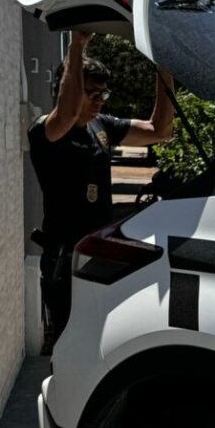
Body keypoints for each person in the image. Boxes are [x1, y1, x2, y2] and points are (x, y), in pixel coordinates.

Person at [29, 30, 175, 345]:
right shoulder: (45, 131)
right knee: (70, 345)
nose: (98, 101)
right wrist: (77, 45)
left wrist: (164, 71)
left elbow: (159, 130)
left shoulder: (102, 126)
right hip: (66, 262)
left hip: (100, 256)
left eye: (102, 94)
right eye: (91, 93)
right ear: (66, 89)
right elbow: (65, 114)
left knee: (103, 345)